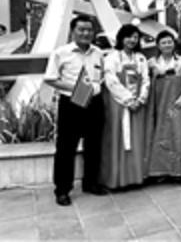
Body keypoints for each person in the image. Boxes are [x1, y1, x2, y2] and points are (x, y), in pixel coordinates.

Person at [43, 14, 106, 206]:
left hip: (94, 103)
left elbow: (102, 76)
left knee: (94, 145)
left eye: (89, 30)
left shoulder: (98, 53)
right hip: (71, 103)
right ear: (73, 31)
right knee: (66, 148)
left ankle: (91, 183)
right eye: (81, 29)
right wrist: (76, 89)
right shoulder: (61, 53)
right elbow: (50, 78)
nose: (86, 33)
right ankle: (62, 190)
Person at [146, 30, 181, 179]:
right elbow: (145, 82)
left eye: (169, 42)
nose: (167, 45)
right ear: (158, 45)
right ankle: (161, 170)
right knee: (161, 134)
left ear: (174, 43)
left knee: (180, 134)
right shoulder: (151, 63)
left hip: (179, 104)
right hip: (159, 104)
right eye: (163, 42)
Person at [99, 24, 150, 189]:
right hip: (118, 105)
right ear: (121, 38)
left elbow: (146, 80)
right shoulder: (112, 57)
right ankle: (117, 179)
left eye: (135, 37)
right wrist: (128, 100)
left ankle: (136, 177)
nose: (132, 40)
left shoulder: (141, 58)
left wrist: (140, 99)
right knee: (118, 139)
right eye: (128, 36)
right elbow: (111, 81)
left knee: (137, 139)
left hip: (138, 106)